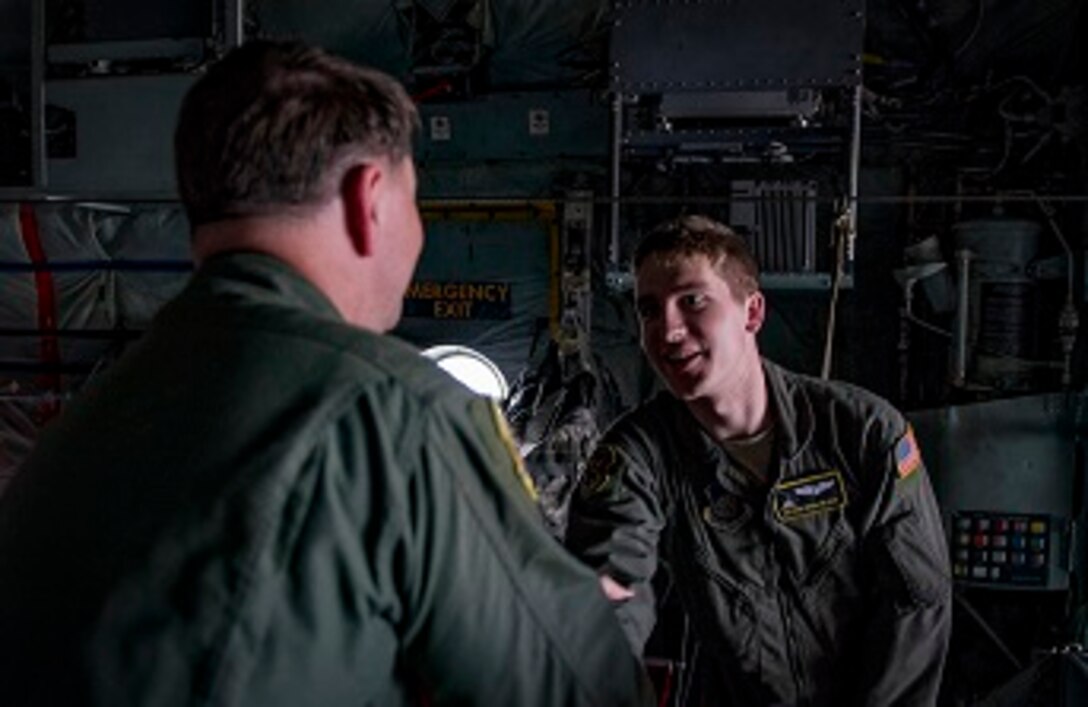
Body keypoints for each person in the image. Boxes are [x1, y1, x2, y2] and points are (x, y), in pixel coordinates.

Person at [0, 41, 653, 707]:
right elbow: (586, 692)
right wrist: (569, 613)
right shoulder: (401, 412)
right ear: (368, 198)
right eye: (414, 202)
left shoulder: (85, 421)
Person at [566, 215, 952, 706]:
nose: (668, 329)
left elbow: (915, 604)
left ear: (751, 313)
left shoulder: (864, 433)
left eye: (693, 301)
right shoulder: (638, 454)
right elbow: (610, 593)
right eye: (648, 310)